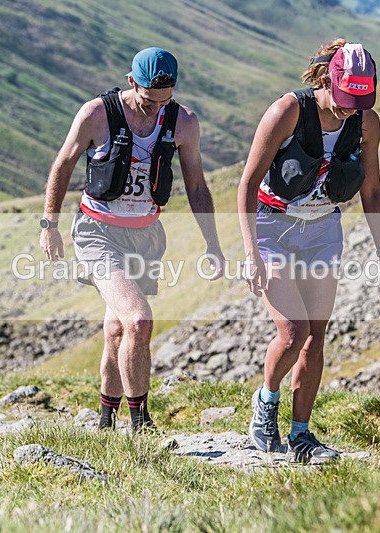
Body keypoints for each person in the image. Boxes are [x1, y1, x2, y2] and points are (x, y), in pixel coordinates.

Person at [40, 47, 225, 432]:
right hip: (97, 232)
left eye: (165, 101)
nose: (156, 109)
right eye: (147, 100)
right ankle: (141, 423)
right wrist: (49, 225)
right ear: (131, 83)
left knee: (118, 329)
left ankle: (106, 420)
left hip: (146, 236)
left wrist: (213, 244)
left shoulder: (184, 122)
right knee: (139, 320)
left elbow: (196, 185)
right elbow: (63, 164)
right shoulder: (96, 114)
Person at [237, 39, 380, 462]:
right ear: (328, 78)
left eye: (360, 101)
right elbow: (248, 185)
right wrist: (251, 252)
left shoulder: (367, 123)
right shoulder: (287, 112)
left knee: (316, 338)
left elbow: (373, 191)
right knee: (293, 333)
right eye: (346, 99)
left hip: (323, 231)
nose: (351, 109)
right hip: (273, 228)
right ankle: (266, 403)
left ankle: (302, 435)